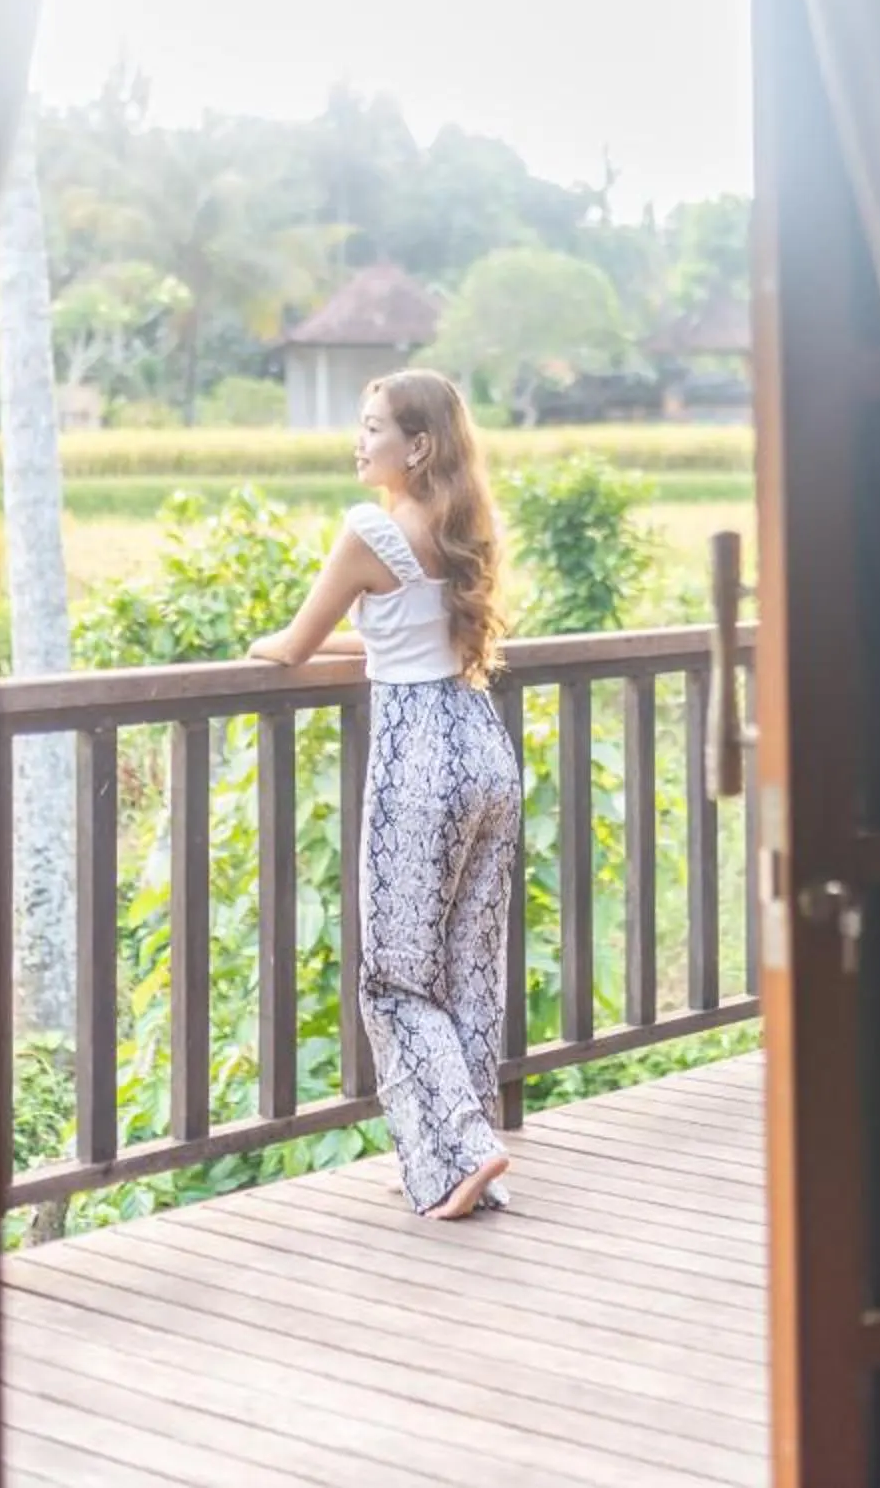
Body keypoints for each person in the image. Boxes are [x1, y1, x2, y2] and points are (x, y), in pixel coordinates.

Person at [248, 369, 522, 1221]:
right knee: (471, 969)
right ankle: (468, 1171)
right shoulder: (461, 530)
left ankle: (467, 1149)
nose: (359, 442)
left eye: (374, 428)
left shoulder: (372, 531)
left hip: (419, 760)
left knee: (395, 978)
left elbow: (294, 644)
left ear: (419, 445)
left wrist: (257, 648)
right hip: (484, 747)